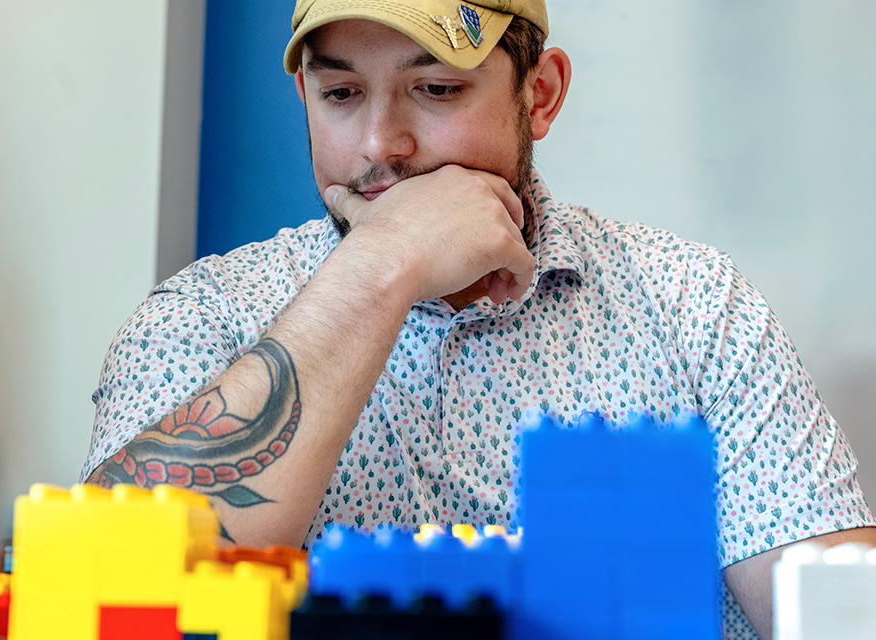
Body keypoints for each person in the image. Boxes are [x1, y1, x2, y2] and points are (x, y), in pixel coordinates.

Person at [80, 1, 876, 638]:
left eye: (437, 89)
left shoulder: (695, 305)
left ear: (541, 95)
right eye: (341, 93)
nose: (380, 145)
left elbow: (836, 614)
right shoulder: (204, 315)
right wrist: (383, 267)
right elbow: (107, 590)